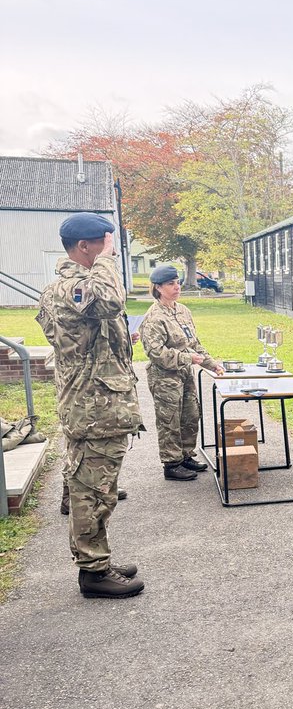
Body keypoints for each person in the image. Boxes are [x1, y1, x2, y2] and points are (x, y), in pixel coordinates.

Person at [36, 212, 144, 599]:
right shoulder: (71, 288)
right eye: (107, 243)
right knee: (91, 491)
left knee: (99, 489)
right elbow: (111, 299)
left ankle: (98, 559)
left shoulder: (75, 288)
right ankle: (93, 573)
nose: (112, 251)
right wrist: (106, 260)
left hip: (98, 406)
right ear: (85, 247)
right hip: (93, 409)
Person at [139, 265, 224, 481]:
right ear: (158, 288)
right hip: (165, 377)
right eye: (171, 284)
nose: (177, 287)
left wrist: (212, 364)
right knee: (170, 420)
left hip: (185, 374)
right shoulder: (153, 317)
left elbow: (194, 343)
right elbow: (155, 352)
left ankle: (186, 455)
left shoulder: (183, 310)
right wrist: (187, 358)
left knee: (190, 415)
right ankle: (171, 463)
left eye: (177, 282)